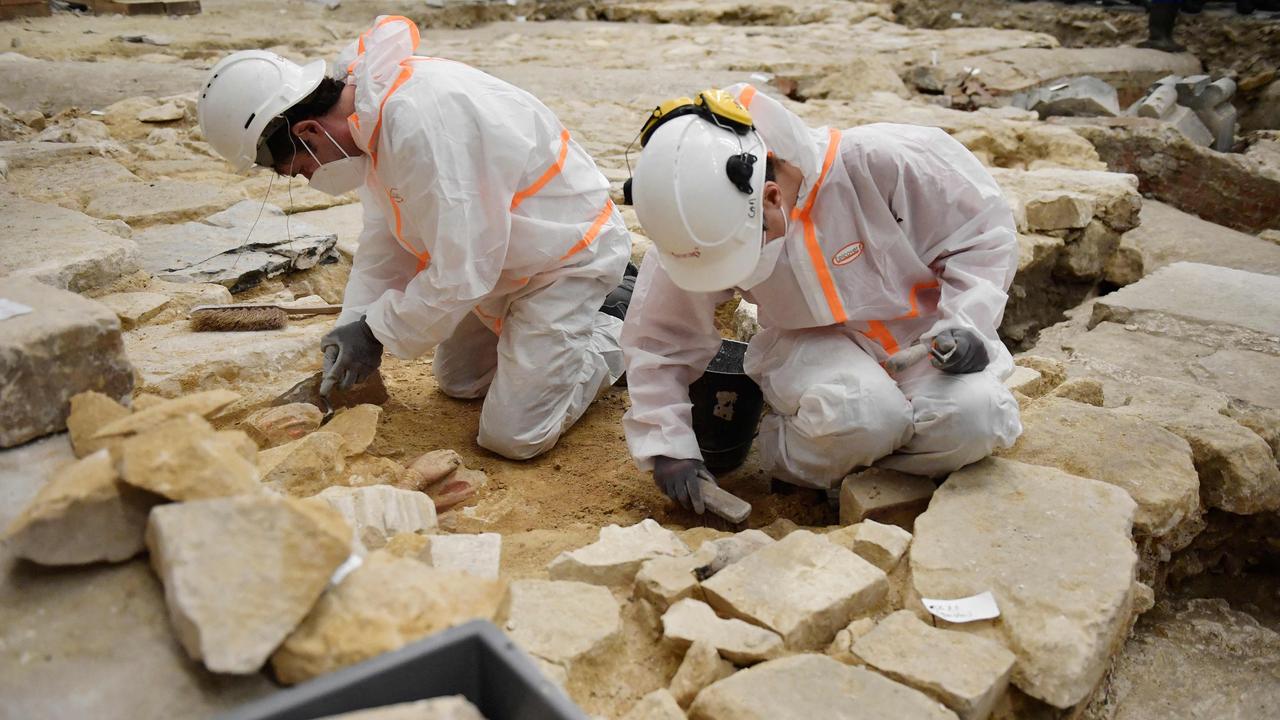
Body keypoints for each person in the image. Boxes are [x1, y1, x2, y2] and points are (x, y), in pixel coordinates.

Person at [196, 16, 632, 460]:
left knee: (514, 437)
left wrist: (376, 331)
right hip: (501, 259)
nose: (305, 178)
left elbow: (462, 273)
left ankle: (616, 332)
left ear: (308, 131)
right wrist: (356, 321)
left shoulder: (421, 123)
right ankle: (553, 342)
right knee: (461, 382)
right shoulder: (367, 120)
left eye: (299, 168)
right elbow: (385, 239)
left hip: (564, 257)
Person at [621, 87, 1023, 513]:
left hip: (924, 338)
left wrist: (967, 323)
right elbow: (660, 336)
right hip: (809, 346)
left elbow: (981, 236)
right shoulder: (694, 219)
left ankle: (858, 469)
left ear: (772, 197)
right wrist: (668, 443)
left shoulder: (885, 162)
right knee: (859, 415)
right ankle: (814, 456)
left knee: (976, 420)